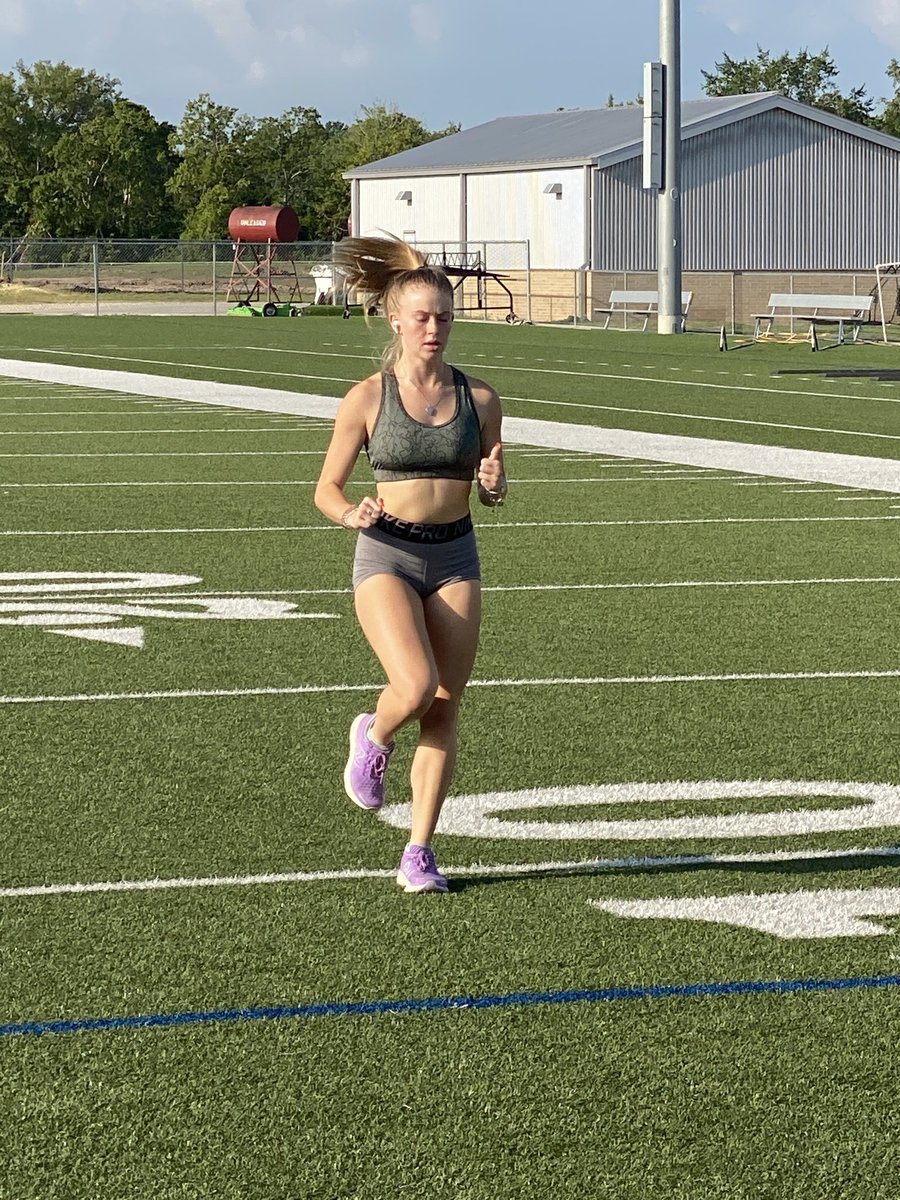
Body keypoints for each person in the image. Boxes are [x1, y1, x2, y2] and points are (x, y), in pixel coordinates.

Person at [314, 235, 507, 893]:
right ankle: (373, 732)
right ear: (396, 318)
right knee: (417, 685)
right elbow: (325, 490)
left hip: (456, 555)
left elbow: (493, 482)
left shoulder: (479, 399)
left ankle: (419, 851)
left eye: (445, 318)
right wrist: (350, 514)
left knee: (446, 708)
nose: (435, 329)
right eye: (422, 317)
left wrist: (493, 482)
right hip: (388, 553)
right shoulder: (367, 397)